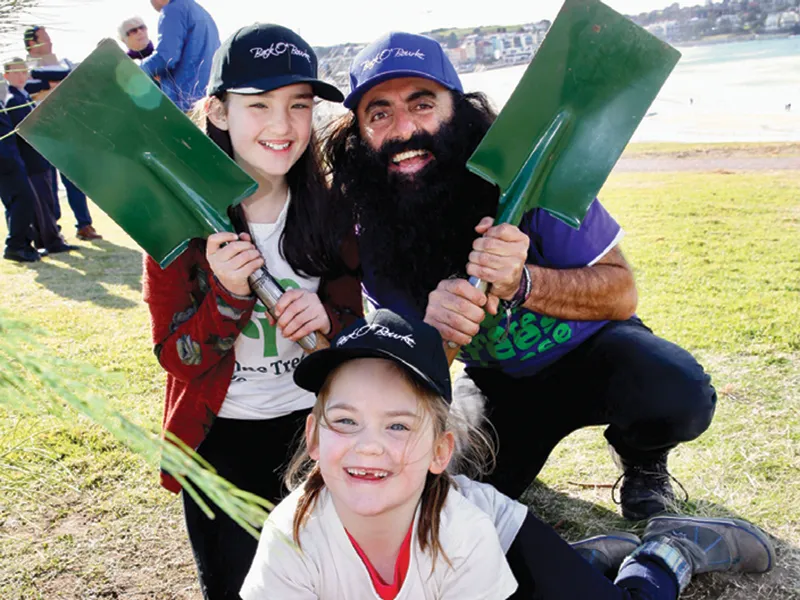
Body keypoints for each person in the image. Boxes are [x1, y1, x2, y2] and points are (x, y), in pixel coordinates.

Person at [324, 32, 718, 521]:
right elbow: (416, 375)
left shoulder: (534, 178)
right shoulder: (374, 233)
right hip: (497, 383)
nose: (404, 129)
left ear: (458, 111)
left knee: (677, 391)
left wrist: (522, 283)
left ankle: (642, 460)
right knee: (451, 492)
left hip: (594, 355)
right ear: (360, 134)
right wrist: (437, 334)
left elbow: (622, 293)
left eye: (422, 104)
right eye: (379, 113)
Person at [241, 309, 775, 600]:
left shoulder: (461, 529)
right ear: (313, 438)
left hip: (488, 536)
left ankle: (664, 554)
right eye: (346, 421)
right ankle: (579, 561)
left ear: (440, 452)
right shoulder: (293, 534)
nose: (369, 444)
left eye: (399, 424)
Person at [141, 24, 361, 600]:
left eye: (299, 105)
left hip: (313, 430)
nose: (282, 125)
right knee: (240, 588)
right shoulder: (174, 222)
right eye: (258, 105)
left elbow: (358, 321)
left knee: (330, 577)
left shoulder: (331, 207)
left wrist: (328, 321)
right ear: (217, 111)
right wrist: (229, 295)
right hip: (221, 441)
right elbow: (177, 357)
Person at [23, 25, 103, 241]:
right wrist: (54, 84)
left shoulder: (61, 62)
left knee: (74, 179)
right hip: (41, 130)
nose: (50, 40)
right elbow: (28, 88)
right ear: (32, 42)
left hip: (67, 129)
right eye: (45, 37)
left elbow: (71, 77)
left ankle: (84, 225)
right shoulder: (25, 66)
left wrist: (47, 86)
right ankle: (53, 227)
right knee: (47, 181)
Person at [3, 58, 76, 255]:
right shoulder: (13, 101)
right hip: (30, 161)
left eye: (23, 71)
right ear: (6, 76)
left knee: (48, 201)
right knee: (42, 204)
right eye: (15, 72)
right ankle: (50, 242)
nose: (21, 75)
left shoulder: (25, 96)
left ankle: (52, 239)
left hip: (38, 159)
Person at [140, 0, 220, 113]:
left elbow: (166, 58)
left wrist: (134, 70)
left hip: (187, 104)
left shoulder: (173, 9)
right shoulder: (202, 13)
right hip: (208, 102)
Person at [0, 96, 39, 262]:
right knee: (24, 200)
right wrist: (9, 158)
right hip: (6, 161)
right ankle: (15, 246)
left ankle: (21, 245)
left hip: (8, 159)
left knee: (15, 203)